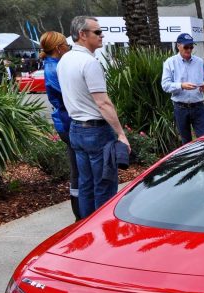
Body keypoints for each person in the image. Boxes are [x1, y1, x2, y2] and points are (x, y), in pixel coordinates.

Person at [58, 16, 130, 219]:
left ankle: (86, 229)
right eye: (97, 32)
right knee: (104, 185)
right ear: (82, 35)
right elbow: (103, 103)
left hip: (76, 129)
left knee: (86, 184)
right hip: (95, 131)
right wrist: (121, 134)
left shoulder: (65, 60)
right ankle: (101, 230)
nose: (101, 35)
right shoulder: (89, 63)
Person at [40, 31, 81, 221]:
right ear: (58, 48)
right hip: (67, 122)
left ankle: (80, 211)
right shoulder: (54, 68)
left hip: (66, 120)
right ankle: (79, 213)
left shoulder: (55, 66)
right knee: (78, 169)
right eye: (65, 44)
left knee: (78, 167)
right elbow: (67, 96)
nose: (68, 46)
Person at [161, 33, 204, 145]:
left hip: (198, 106)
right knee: (186, 142)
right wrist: (181, 85)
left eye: (191, 47)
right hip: (180, 107)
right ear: (178, 46)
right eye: (186, 47)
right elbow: (165, 85)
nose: (189, 50)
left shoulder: (199, 62)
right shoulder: (170, 62)